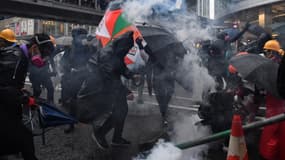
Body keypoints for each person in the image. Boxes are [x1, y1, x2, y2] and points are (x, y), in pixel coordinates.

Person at [77, 31, 136, 149]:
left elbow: (119, 66)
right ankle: (100, 132)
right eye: (127, 48)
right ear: (123, 45)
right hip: (100, 86)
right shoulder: (107, 54)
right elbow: (111, 78)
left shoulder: (116, 50)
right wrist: (126, 91)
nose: (128, 51)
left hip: (108, 85)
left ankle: (117, 138)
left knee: (122, 110)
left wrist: (130, 75)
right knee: (117, 111)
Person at [0, 29, 54, 160]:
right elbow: (3, 88)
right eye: (42, 54)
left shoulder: (21, 56)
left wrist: (20, 91)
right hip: (3, 107)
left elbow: (10, 83)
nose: (42, 59)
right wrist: (22, 98)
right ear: (34, 47)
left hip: (9, 106)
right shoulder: (16, 59)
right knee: (25, 139)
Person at [259, 40, 285, 160]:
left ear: (272, 52)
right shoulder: (279, 63)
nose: (265, 55)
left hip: (274, 108)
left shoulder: (270, 68)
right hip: (281, 106)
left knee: (271, 138)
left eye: (267, 52)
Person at [28, 35, 56, 104]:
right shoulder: (34, 49)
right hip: (35, 74)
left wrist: (54, 70)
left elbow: (51, 60)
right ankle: (32, 103)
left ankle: (50, 103)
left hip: (44, 73)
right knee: (37, 90)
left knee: (50, 88)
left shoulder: (48, 50)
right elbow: (31, 63)